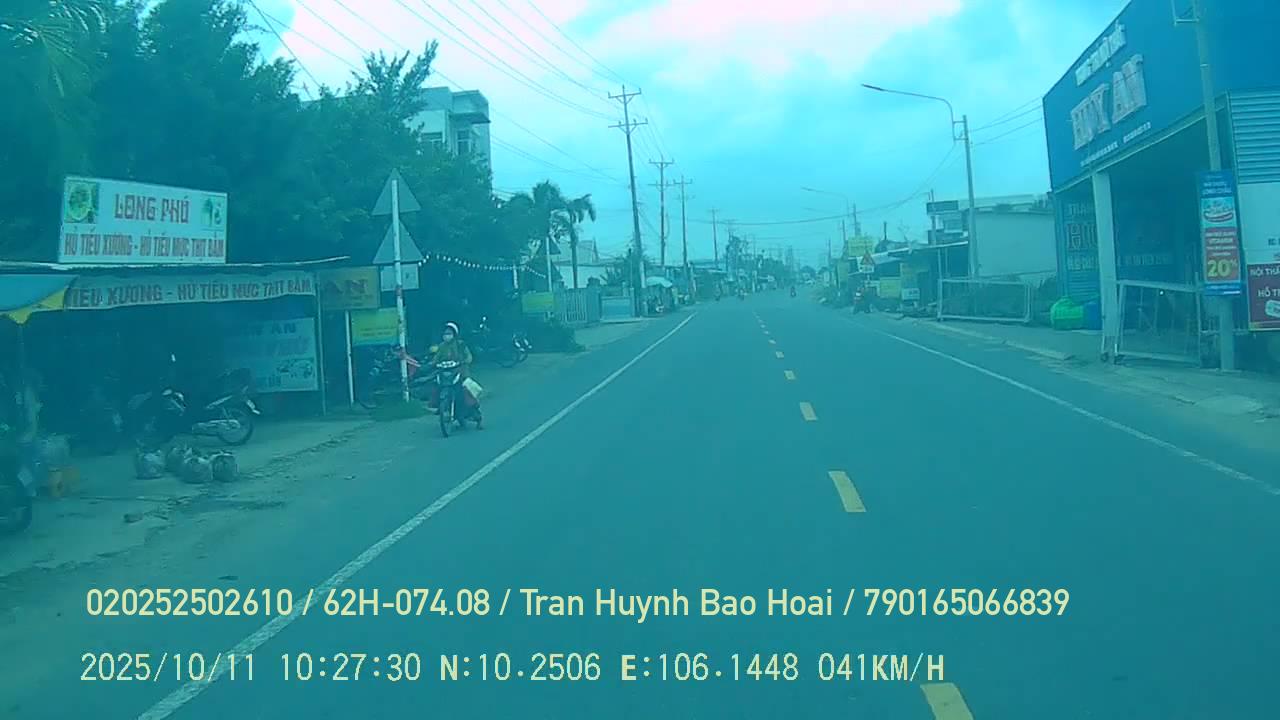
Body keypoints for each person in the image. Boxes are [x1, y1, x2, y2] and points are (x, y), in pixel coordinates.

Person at [427, 322, 475, 413]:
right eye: (445, 333)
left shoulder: (460, 344)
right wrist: (432, 364)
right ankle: (437, 405)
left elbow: (469, 356)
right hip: (444, 372)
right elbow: (436, 358)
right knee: (436, 385)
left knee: (464, 389)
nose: (446, 336)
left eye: (449, 333)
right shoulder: (441, 346)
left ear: (454, 334)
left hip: (460, 371)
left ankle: (471, 409)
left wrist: (465, 361)